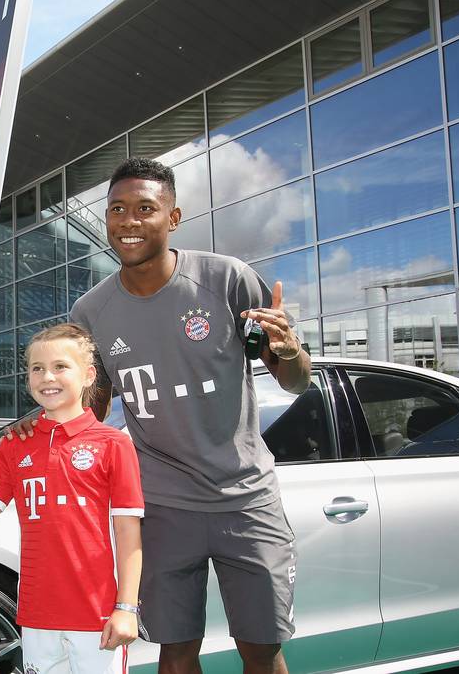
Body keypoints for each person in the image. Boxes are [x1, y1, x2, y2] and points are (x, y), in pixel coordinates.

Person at [59, 157, 310, 674]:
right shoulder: (91, 312)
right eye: (117, 210)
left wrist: (289, 351)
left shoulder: (228, 280)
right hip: (162, 507)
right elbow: (94, 407)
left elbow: (295, 380)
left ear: (173, 218)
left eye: (145, 209)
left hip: (245, 499)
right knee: (175, 651)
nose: (128, 221)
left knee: (261, 650)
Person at [0, 323, 143, 673]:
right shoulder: (14, 444)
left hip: (96, 615)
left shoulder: (114, 444)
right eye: (36, 368)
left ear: (88, 375)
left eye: (59, 367)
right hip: (37, 614)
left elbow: (129, 533)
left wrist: (126, 608)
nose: (46, 377)